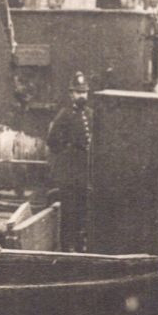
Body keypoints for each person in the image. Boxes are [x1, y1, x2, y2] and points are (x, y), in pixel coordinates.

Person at [47, 71, 93, 252]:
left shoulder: (90, 114)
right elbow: (52, 141)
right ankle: (67, 247)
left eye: (84, 92)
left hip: (85, 171)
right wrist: (67, 154)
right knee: (69, 211)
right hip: (70, 172)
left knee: (83, 209)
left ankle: (81, 244)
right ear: (71, 94)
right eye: (78, 92)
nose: (82, 95)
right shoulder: (64, 115)